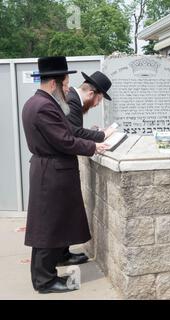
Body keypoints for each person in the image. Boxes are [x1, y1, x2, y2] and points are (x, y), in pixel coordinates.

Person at [22, 56, 109, 294]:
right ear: (54, 83)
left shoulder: (41, 103)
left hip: (53, 170)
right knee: (47, 227)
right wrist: (93, 147)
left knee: (56, 222)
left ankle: (57, 261)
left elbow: (64, 134)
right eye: (66, 81)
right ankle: (44, 280)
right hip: (51, 173)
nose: (69, 87)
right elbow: (64, 140)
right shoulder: (43, 106)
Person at [59, 71, 115, 267]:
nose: (98, 104)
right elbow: (73, 132)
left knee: (65, 212)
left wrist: (93, 132)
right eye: (99, 99)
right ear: (92, 94)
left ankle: (63, 253)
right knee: (62, 212)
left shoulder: (71, 98)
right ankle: (60, 255)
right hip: (58, 166)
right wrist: (102, 135)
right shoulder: (73, 101)